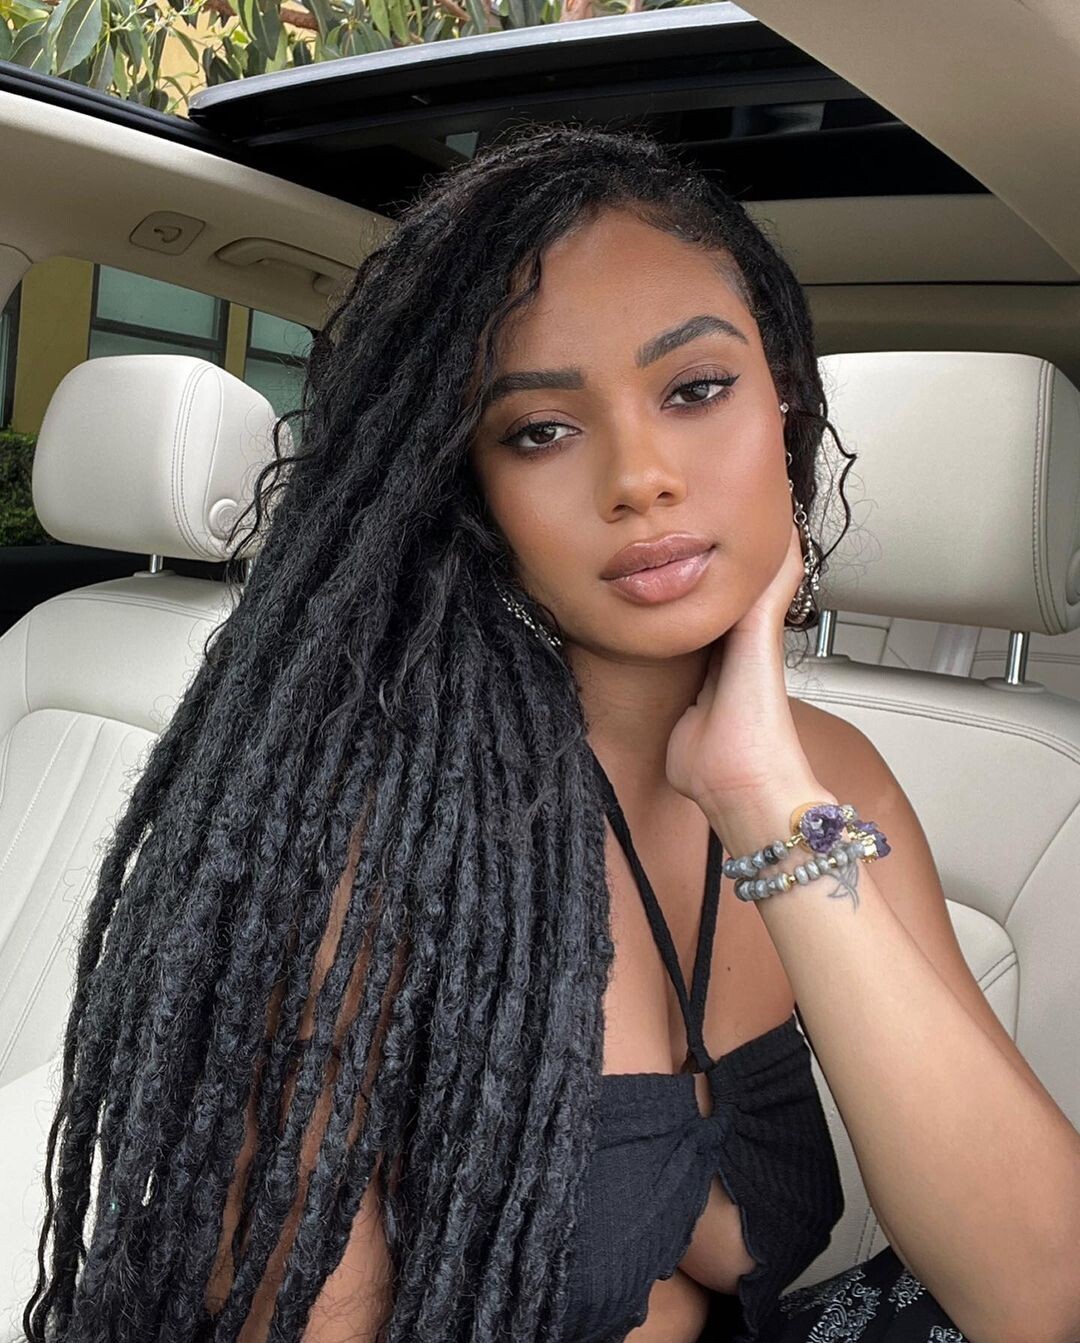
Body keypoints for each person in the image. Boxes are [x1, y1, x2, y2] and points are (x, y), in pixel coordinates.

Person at [22, 124, 1080, 1343]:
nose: (640, 476)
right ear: (467, 484)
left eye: (696, 389)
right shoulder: (377, 830)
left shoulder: (831, 786)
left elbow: (1039, 1291)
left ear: (784, 398)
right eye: (540, 428)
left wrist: (760, 791)